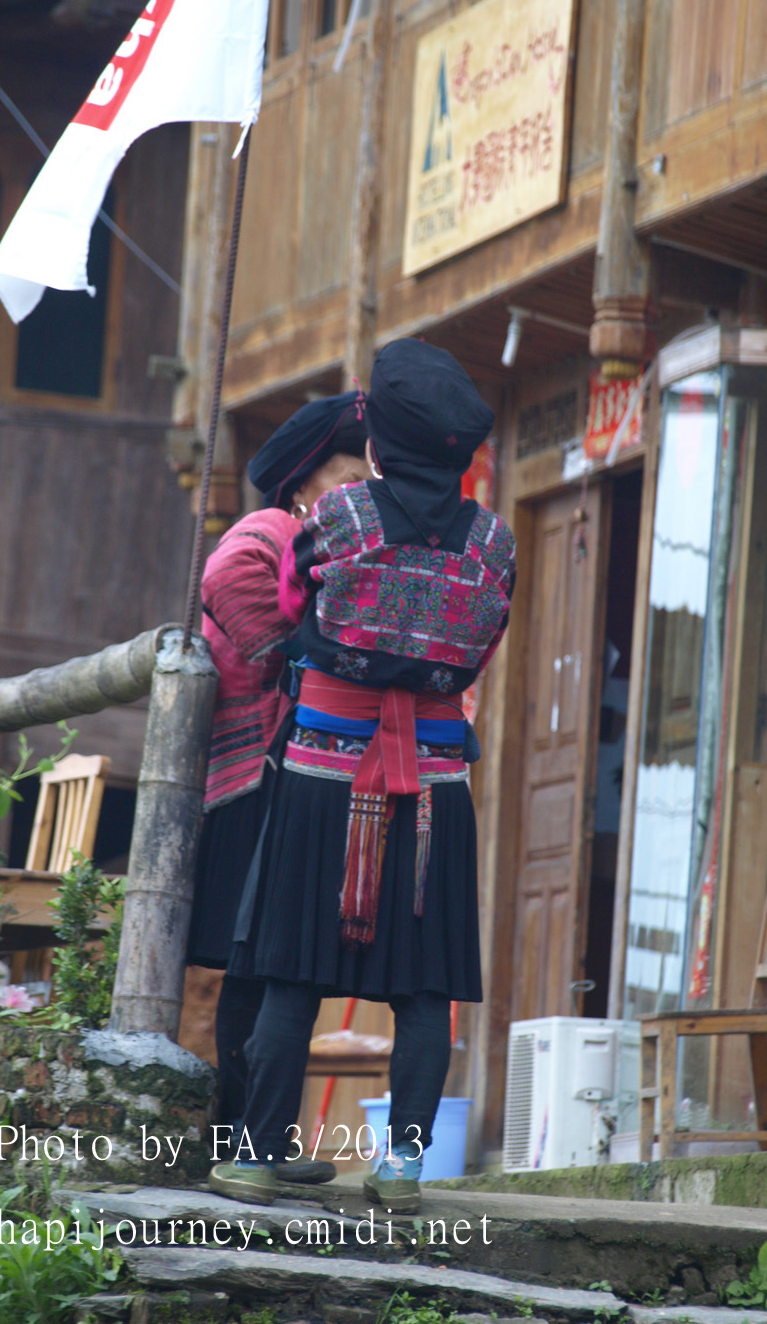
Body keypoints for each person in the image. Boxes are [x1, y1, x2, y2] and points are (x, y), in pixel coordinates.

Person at [211, 338, 516, 1211]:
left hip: (321, 777)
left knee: (292, 971)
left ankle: (258, 1154)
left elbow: (293, 603)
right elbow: (483, 643)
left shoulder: (339, 517)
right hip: (435, 787)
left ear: (377, 442)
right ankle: (404, 1165)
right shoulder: (493, 544)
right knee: (424, 986)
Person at [186, 391, 370, 1184]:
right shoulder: (267, 532)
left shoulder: (320, 545)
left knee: (265, 969)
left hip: (283, 774)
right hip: (255, 781)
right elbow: (225, 579)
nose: (360, 491)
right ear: (303, 482)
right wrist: (294, 650)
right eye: (349, 476)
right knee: (260, 964)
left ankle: (254, 1140)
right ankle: (245, 1140)